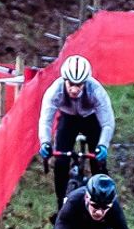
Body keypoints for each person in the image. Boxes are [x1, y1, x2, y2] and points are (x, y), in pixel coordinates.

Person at [38, 55, 118, 208]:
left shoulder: (95, 90)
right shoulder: (55, 90)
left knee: (98, 162)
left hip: (91, 118)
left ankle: (102, 200)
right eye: (71, 84)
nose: (74, 89)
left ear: (85, 82)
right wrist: (45, 142)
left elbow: (107, 123)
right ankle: (60, 203)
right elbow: (45, 120)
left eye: (79, 84)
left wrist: (103, 145)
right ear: (64, 80)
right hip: (67, 119)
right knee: (61, 162)